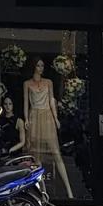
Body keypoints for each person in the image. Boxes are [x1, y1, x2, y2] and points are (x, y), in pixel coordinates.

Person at [24, 57, 74, 198]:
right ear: (33, 67)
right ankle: (42, 193)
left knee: (56, 153)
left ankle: (70, 192)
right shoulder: (27, 84)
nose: (41, 68)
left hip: (47, 117)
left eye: (42, 65)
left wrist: (55, 117)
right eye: (38, 65)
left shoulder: (48, 82)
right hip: (34, 116)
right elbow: (26, 103)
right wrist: (26, 119)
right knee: (36, 156)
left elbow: (52, 100)